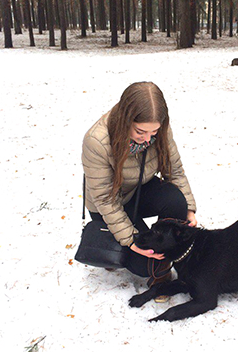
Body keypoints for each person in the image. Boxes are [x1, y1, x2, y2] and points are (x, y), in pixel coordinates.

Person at [82, 81, 197, 286]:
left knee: (176, 200)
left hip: (138, 190)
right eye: (140, 132)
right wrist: (131, 241)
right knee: (143, 265)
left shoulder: (158, 130)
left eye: (153, 133)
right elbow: (104, 199)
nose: (147, 139)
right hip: (108, 203)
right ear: (126, 120)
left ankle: (161, 269)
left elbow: (175, 171)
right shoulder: (96, 141)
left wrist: (189, 210)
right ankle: (124, 251)